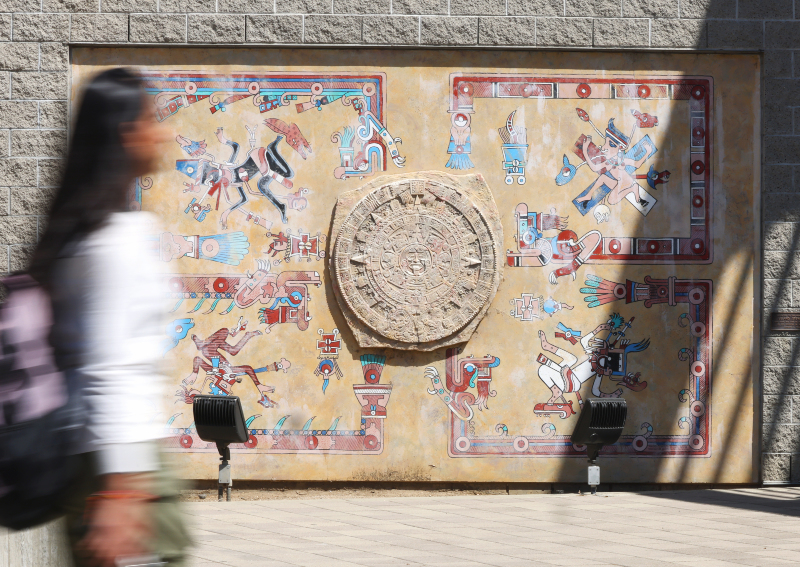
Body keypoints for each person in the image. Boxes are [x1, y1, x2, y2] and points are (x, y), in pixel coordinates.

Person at [28, 68, 190, 567]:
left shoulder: (83, 237)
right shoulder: (118, 241)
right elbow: (110, 367)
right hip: (122, 459)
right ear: (126, 134)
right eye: (150, 118)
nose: (162, 131)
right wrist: (122, 493)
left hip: (99, 457)